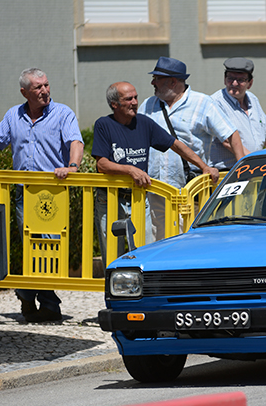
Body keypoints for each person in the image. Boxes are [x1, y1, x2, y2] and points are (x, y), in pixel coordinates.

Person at [0, 67, 84, 322]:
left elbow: (76, 142)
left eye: (46, 85)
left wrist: (72, 167)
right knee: (32, 247)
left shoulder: (63, 113)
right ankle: (44, 303)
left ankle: (28, 294)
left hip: (53, 193)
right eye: (38, 88)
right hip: (23, 193)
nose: (45, 91)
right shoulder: (13, 115)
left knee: (50, 248)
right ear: (24, 92)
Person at [92, 81, 219, 268]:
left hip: (138, 199)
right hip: (110, 200)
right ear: (115, 105)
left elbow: (176, 144)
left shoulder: (143, 123)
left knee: (145, 252)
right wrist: (130, 169)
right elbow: (101, 163)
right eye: (128, 99)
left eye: (136, 97)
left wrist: (204, 167)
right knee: (112, 255)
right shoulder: (104, 124)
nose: (135, 102)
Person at [138, 57, 244, 240]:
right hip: (155, 191)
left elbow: (232, 134)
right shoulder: (148, 104)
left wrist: (242, 168)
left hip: (189, 191)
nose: (152, 82)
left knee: (186, 240)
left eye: (157, 78)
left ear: (173, 82)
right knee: (157, 241)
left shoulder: (203, 103)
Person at [209, 57, 266, 169]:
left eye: (240, 80)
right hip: (228, 172)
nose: (234, 83)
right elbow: (227, 142)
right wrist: (254, 162)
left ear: (250, 83)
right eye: (230, 78)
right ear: (224, 79)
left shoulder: (253, 99)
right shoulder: (215, 103)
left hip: (254, 168)